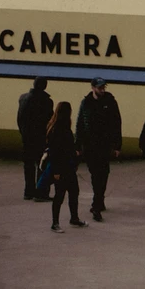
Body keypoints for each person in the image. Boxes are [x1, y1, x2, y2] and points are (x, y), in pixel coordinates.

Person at [75, 76, 122, 221]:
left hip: (105, 144)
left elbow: (116, 124)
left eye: (103, 87)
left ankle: (99, 200)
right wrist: (77, 145)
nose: (102, 90)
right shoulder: (86, 103)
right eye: (100, 87)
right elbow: (80, 125)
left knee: (104, 173)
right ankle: (97, 204)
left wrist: (117, 145)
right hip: (90, 145)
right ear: (93, 88)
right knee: (96, 175)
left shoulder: (110, 102)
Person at [43, 99, 86, 231]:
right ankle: (56, 223)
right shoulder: (59, 130)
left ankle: (73, 218)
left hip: (66, 166)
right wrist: (56, 171)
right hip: (62, 167)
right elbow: (56, 152)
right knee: (61, 195)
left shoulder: (56, 128)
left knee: (71, 192)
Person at [16, 76, 52, 201]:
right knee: (42, 165)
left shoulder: (23, 98)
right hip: (40, 138)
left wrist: (23, 133)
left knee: (28, 166)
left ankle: (28, 191)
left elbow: (20, 119)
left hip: (27, 138)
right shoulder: (46, 101)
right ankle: (40, 192)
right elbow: (49, 122)